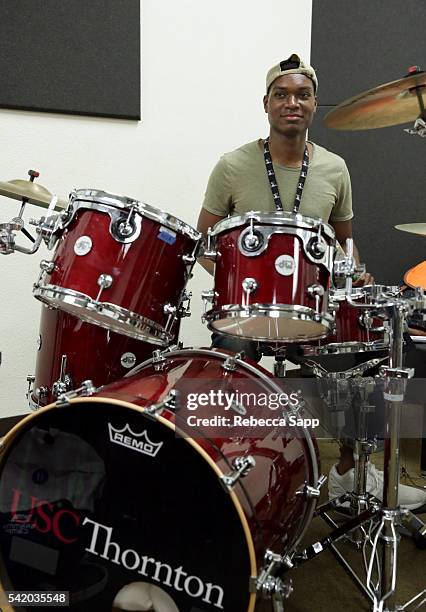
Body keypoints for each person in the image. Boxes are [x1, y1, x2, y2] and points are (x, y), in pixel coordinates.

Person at [197, 53, 426, 511]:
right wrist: (236, 287)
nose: (292, 103)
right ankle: (220, 475)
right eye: (281, 94)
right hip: (247, 310)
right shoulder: (232, 165)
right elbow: (204, 240)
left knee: (358, 362)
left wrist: (352, 273)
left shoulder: (334, 168)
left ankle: (348, 471)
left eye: (302, 95)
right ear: (266, 104)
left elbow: (346, 243)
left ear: (315, 103)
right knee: (225, 374)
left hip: (312, 310)